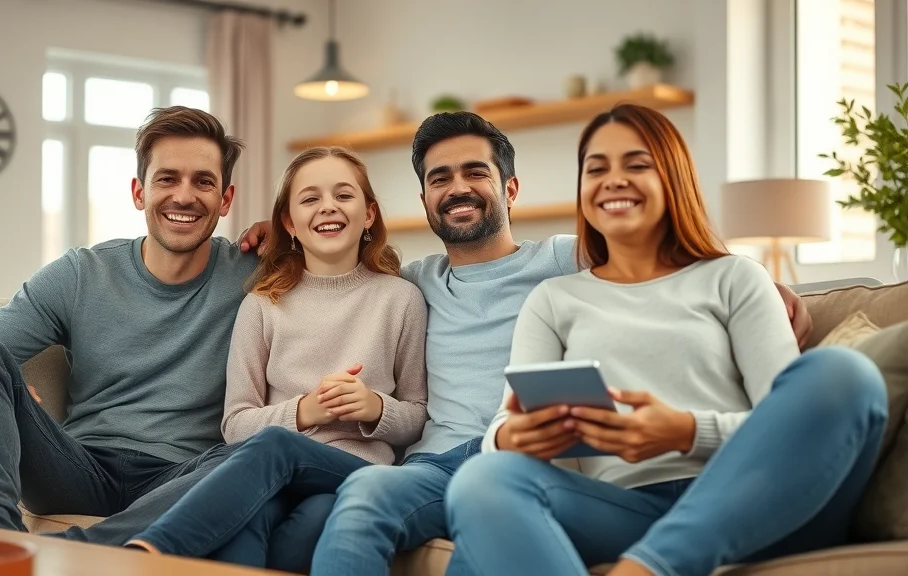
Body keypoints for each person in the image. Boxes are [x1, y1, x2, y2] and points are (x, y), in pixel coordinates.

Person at [235, 111, 816, 575]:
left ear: (510, 188)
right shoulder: (412, 282)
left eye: (475, 173)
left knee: (481, 513)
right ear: (425, 202)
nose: (457, 188)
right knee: (362, 500)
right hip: (435, 461)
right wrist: (273, 233)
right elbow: (337, 271)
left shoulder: (563, 259)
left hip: (529, 457)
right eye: (440, 179)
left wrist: (761, 281)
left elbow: (657, 251)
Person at [441, 104, 888, 576]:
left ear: (674, 177)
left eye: (636, 165)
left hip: (759, 505)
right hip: (628, 510)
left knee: (844, 373)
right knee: (484, 478)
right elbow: (504, 426)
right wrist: (513, 436)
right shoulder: (553, 300)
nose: (614, 180)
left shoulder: (735, 278)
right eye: (597, 169)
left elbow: (786, 424)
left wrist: (684, 431)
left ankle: (647, 568)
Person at [0, 106, 258, 533]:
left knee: (257, 454)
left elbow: (340, 264)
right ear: (139, 192)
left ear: (225, 199)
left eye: (204, 181)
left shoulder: (256, 274)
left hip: (181, 478)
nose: (184, 196)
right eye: (167, 179)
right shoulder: (82, 274)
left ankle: (89, 547)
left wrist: (290, 233)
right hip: (75, 470)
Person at [120, 146, 429, 570]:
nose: (328, 207)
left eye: (343, 195)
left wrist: (375, 408)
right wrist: (305, 412)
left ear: (369, 214)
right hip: (273, 479)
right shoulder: (263, 305)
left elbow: (417, 415)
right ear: (289, 223)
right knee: (250, 524)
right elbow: (235, 425)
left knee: (279, 451)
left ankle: (150, 551)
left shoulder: (401, 299)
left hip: (356, 473)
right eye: (310, 198)